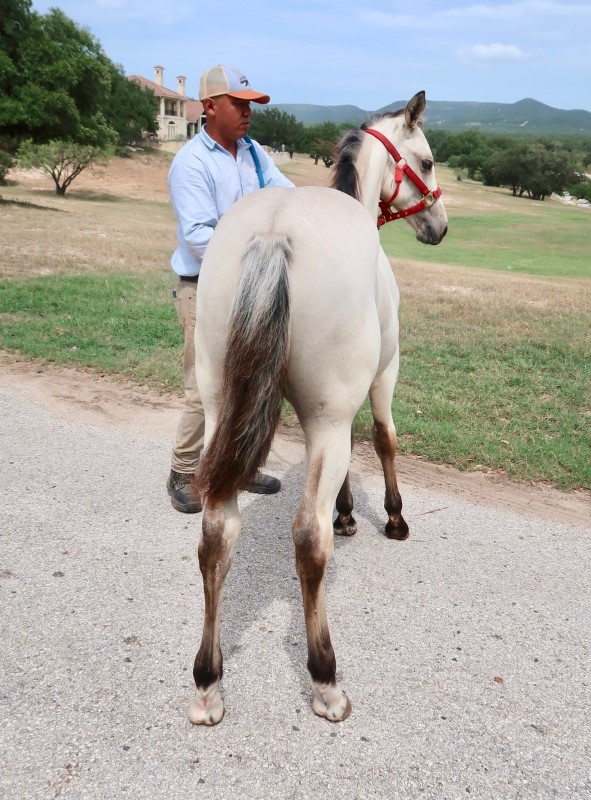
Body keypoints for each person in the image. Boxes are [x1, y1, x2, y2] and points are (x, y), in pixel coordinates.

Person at [166, 65, 295, 513]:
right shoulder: (191, 162)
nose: (247, 113)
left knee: (253, 379)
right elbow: (200, 236)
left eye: (251, 105)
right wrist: (257, 262)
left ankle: (242, 465)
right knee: (204, 386)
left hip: (251, 287)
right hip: (203, 287)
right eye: (238, 104)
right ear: (209, 107)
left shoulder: (255, 153)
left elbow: (286, 196)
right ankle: (184, 470)